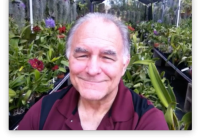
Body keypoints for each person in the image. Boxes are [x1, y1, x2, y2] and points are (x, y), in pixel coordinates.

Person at [18, 13, 169, 130]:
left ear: (124, 64)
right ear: (68, 59)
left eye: (107, 57)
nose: (92, 69)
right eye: (82, 55)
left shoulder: (146, 122)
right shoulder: (42, 113)